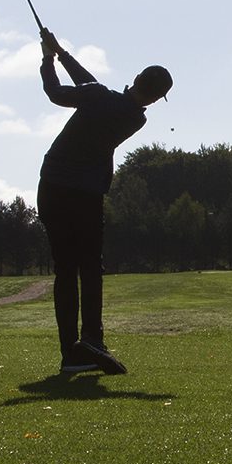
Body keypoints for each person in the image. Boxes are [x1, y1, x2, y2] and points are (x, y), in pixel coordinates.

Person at [37, 27, 173, 375]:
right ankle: (92, 340)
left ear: (135, 78)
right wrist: (61, 53)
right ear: (155, 99)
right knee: (90, 268)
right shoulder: (135, 118)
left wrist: (48, 59)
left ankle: (72, 353)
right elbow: (92, 87)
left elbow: (58, 93)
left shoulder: (99, 97)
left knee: (66, 270)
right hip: (86, 194)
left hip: (53, 186)